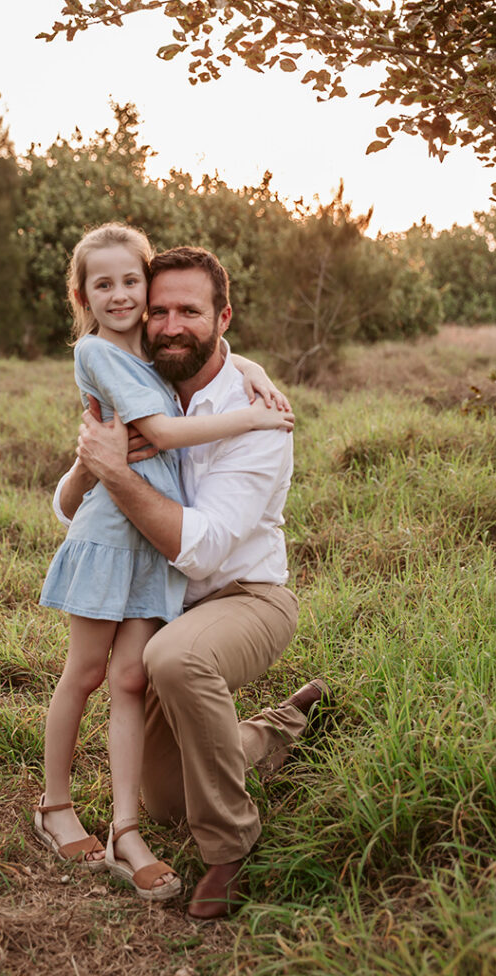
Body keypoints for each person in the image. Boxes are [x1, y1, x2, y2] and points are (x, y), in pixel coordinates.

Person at [55, 244, 331, 920]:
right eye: (160, 310)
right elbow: (68, 506)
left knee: (173, 658)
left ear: (222, 315)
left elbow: (202, 554)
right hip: (168, 605)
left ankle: (229, 845)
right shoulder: (140, 381)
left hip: (245, 596)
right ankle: (276, 729)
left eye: (190, 311)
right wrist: (93, 465)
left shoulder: (259, 414)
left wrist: (117, 472)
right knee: (168, 800)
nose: (172, 324)